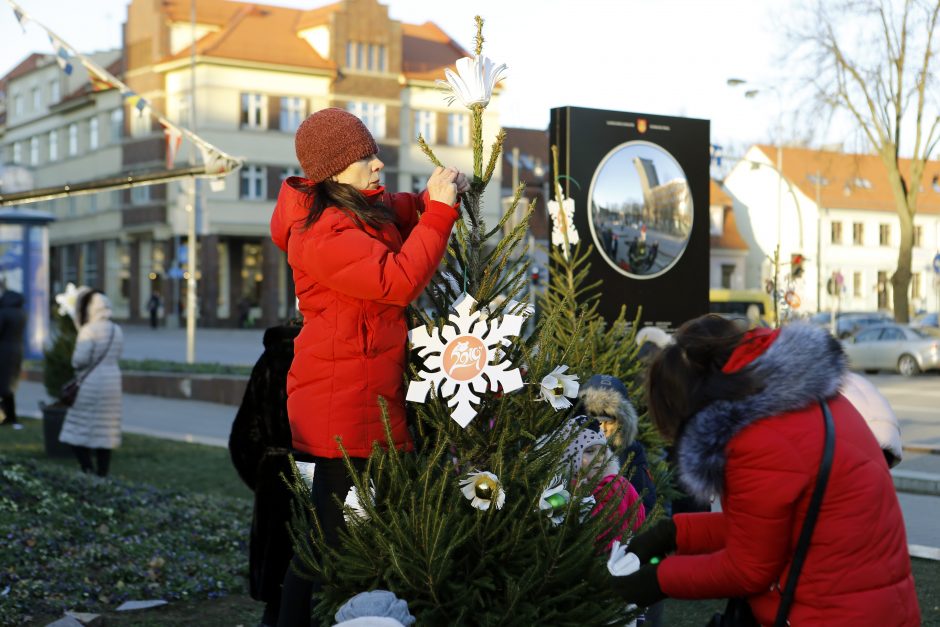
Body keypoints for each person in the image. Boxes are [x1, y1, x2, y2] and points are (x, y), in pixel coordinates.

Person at [269, 107, 467, 627]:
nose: (378, 165)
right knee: (326, 544)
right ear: (334, 171)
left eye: (374, 153)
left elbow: (401, 210)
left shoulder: (359, 208)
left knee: (352, 534)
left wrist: (433, 197)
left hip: (363, 403)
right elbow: (398, 280)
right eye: (365, 158)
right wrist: (441, 215)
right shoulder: (321, 235)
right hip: (339, 413)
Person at [610, 315, 920, 626]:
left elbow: (747, 569)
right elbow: (762, 526)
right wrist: (676, 533)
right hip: (869, 604)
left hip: (834, 613)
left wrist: (657, 580)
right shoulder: (793, 401)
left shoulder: (758, 438)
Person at [228, 322, 302, 627]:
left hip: (274, 473)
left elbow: (242, 437)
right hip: (322, 467)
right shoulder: (321, 356)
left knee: (276, 569)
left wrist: (262, 475)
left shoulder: (268, 361)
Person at [58, 288, 124, 477]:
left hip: (90, 384)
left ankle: (87, 469)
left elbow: (79, 360)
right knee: (105, 431)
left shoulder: (89, 330)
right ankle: (103, 474)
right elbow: (118, 354)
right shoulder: (116, 329)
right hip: (112, 382)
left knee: (79, 429)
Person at [576, 374, 657, 515]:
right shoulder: (571, 447)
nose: (603, 428)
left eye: (610, 421)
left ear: (622, 422)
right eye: (597, 421)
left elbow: (646, 500)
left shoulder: (631, 451)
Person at [562, 415, 646, 549]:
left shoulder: (615, 486)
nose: (599, 458)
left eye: (602, 451)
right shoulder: (560, 492)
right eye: (589, 451)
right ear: (571, 455)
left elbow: (601, 529)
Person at [0, 279, 27, 430]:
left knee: (4, 386)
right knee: (8, 386)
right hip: (15, 350)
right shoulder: (19, 309)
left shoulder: (4, 312)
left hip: (4, 352)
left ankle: (9, 416)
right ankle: (10, 416)